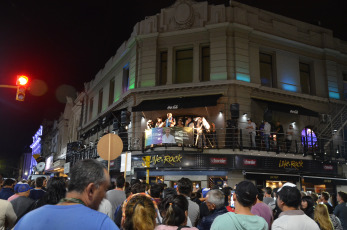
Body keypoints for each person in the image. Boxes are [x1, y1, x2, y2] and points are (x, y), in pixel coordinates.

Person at [15, 159, 118, 230]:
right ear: (91, 190)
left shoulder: (28, 220)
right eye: (104, 189)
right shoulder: (102, 224)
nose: (105, 196)